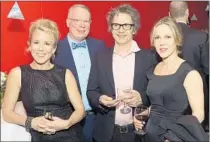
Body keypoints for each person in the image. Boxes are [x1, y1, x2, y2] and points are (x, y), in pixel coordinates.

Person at [2, 18, 85, 142]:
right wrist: (31, 122)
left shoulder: (66, 74)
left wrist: (66, 123)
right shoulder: (17, 74)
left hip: (71, 136)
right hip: (38, 137)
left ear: (53, 48)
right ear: (29, 44)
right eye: (36, 42)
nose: (41, 49)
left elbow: (80, 110)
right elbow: (7, 113)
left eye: (47, 43)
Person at [87, 4, 157, 142]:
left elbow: (157, 95)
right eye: (116, 25)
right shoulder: (100, 57)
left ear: (134, 28)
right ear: (110, 28)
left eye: (126, 25)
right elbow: (91, 91)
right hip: (106, 134)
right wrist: (100, 100)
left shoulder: (149, 58)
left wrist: (141, 99)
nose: (121, 30)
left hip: (138, 132)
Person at [133, 16, 208, 141]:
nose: (162, 42)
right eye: (157, 37)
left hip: (174, 137)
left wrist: (173, 138)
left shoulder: (189, 73)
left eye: (168, 37)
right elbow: (158, 105)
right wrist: (141, 115)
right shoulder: (153, 70)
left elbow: (198, 115)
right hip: (149, 135)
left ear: (177, 39)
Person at [54, 4, 106, 142]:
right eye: (77, 20)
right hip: (69, 122)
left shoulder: (100, 47)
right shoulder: (55, 49)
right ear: (68, 22)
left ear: (90, 23)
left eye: (86, 21)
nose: (82, 25)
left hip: (98, 119)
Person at [169, 1, 209, 131]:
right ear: (187, 13)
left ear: (169, 15)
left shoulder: (163, 38)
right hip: (197, 97)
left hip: (170, 94)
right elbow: (208, 69)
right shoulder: (201, 36)